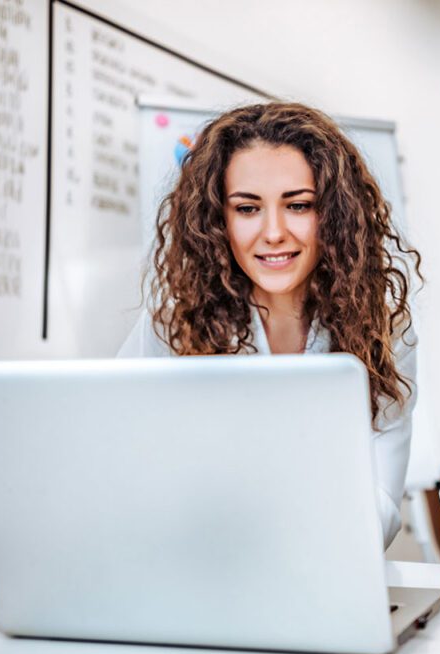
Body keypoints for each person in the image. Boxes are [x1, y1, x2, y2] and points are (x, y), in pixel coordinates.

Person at [119, 102, 421, 548]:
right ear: (217, 219)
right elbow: (123, 465)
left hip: (326, 568)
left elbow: (379, 504)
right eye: (247, 209)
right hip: (192, 567)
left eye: (298, 205)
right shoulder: (173, 322)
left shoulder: (385, 329)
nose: (274, 231)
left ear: (334, 215)